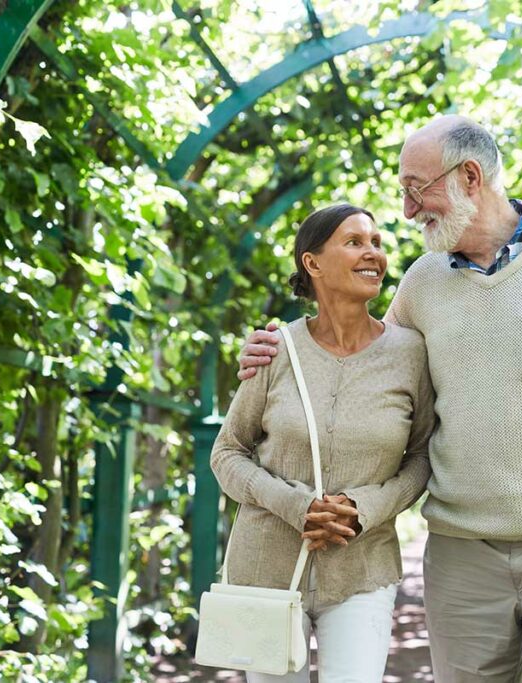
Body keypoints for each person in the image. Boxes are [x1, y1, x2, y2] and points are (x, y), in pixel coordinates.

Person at [237, 117, 522, 682]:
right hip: (464, 558)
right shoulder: (421, 283)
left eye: (416, 188)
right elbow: (364, 369)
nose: (407, 210)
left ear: (470, 176)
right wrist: (275, 355)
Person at [210, 203, 435, 682]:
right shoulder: (276, 349)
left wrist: (363, 508)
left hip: (363, 570)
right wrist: (296, 505)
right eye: (354, 242)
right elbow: (227, 453)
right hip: (266, 571)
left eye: (375, 242)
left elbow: (420, 458)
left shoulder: (410, 353)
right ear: (312, 263)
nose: (372, 252)